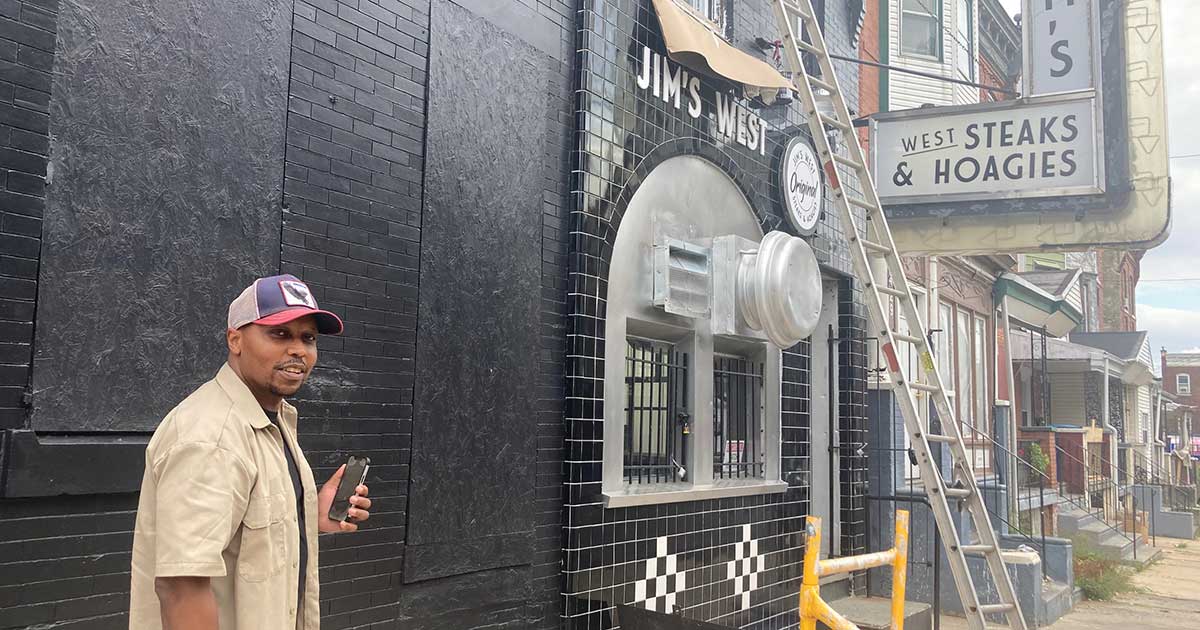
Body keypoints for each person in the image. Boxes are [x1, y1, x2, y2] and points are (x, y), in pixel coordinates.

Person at [128, 274, 372, 630]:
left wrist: (308, 516)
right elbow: (181, 588)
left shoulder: (274, 419)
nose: (298, 350)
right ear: (236, 339)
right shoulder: (210, 437)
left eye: (308, 338)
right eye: (280, 333)